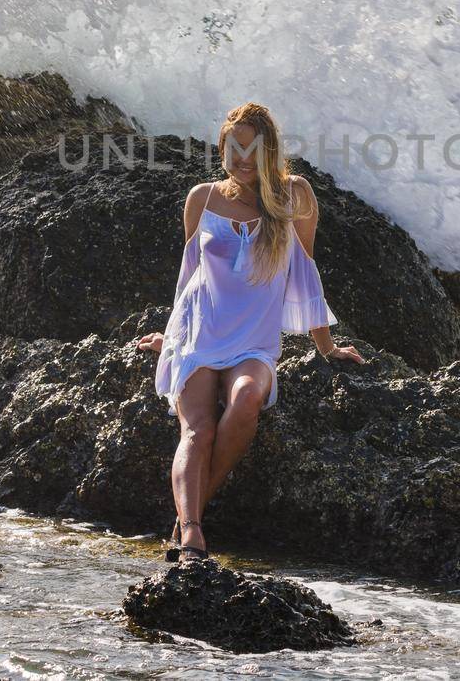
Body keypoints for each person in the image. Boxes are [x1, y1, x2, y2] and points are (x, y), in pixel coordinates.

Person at [134, 102, 365, 562]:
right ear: (221, 149)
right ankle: (195, 533)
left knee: (245, 401)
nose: (242, 159)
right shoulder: (202, 197)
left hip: (254, 342)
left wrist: (327, 346)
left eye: (252, 149)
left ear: (269, 151)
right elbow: (187, 278)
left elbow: (305, 273)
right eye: (233, 148)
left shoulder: (294, 196)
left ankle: (183, 519)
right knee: (196, 429)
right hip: (200, 334)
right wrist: (170, 336)